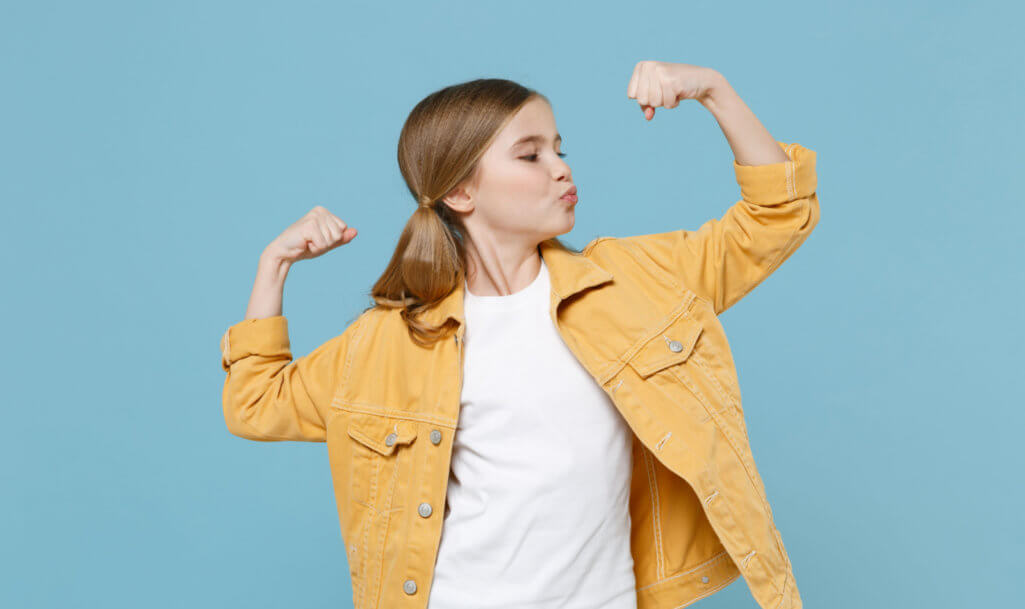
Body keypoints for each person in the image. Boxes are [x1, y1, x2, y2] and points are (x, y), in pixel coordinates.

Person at [221, 63, 818, 609]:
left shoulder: (634, 285)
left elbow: (777, 218)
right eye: (529, 155)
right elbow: (255, 403)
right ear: (461, 193)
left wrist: (714, 90)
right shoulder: (392, 341)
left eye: (560, 149)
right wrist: (273, 265)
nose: (562, 168)